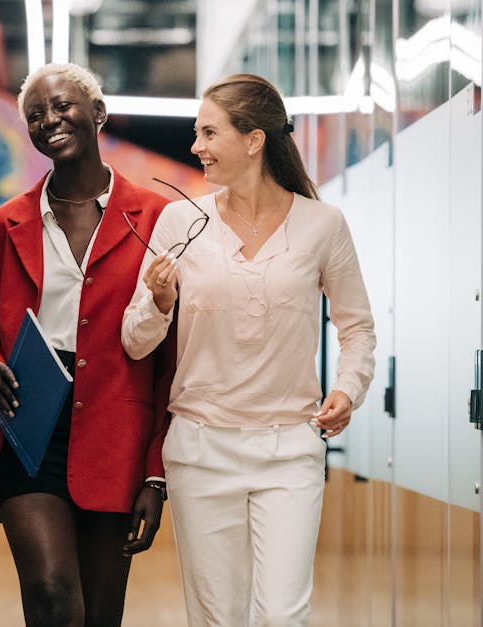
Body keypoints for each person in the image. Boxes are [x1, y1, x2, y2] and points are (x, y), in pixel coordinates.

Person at [122, 74, 376, 626]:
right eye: (197, 133)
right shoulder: (180, 221)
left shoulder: (322, 225)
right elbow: (135, 342)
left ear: (253, 140)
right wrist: (158, 302)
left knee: (284, 615)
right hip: (199, 451)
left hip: (289, 451)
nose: (196, 147)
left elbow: (357, 328)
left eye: (209, 133)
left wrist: (348, 389)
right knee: (217, 618)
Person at [0, 62, 175, 627]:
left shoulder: (159, 219)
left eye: (62, 106)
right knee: (52, 594)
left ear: (98, 113)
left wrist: (156, 473)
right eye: (35, 115)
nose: (49, 119)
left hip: (116, 434)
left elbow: (172, 361)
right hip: (29, 429)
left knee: (100, 615)